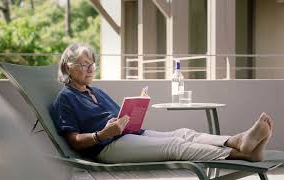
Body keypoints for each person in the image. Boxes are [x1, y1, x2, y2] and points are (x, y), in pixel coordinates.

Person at [50, 43, 273, 163]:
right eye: (84, 65)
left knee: (184, 133)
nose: (90, 69)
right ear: (68, 67)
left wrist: (137, 106)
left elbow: (120, 120)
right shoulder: (66, 98)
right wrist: (102, 135)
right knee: (175, 146)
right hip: (106, 148)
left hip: (129, 136)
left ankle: (237, 141)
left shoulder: (95, 91)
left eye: (92, 65)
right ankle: (242, 154)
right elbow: (75, 141)